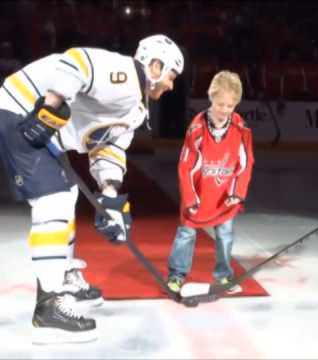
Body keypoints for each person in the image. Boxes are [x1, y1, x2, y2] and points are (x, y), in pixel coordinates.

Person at [0, 34, 184, 344]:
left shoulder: (135, 108)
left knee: (66, 195)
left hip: (44, 134)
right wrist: (50, 107)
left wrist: (109, 197)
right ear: (155, 65)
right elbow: (76, 61)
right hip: (19, 111)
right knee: (54, 202)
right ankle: (48, 310)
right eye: (171, 74)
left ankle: (64, 280)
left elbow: (108, 148)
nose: (172, 85)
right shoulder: (127, 76)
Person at [167, 70, 254, 295]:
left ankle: (224, 275)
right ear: (211, 98)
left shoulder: (241, 128)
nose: (224, 110)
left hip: (225, 194)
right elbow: (185, 166)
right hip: (200, 192)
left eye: (230, 106)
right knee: (186, 233)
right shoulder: (196, 129)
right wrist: (190, 198)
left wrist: (237, 192)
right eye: (220, 104)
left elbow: (245, 162)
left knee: (225, 234)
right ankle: (177, 275)